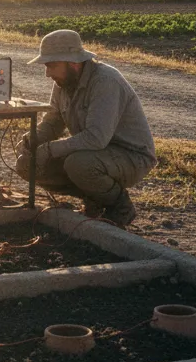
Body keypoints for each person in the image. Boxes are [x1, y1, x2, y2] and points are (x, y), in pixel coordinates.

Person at [14, 29, 156, 228]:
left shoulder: (105, 81)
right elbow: (53, 121)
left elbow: (96, 138)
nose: (48, 73)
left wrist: (49, 150)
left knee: (78, 164)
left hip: (131, 156)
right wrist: (33, 140)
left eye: (51, 65)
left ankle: (120, 206)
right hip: (94, 154)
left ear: (73, 62)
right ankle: (94, 199)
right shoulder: (63, 82)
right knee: (26, 164)